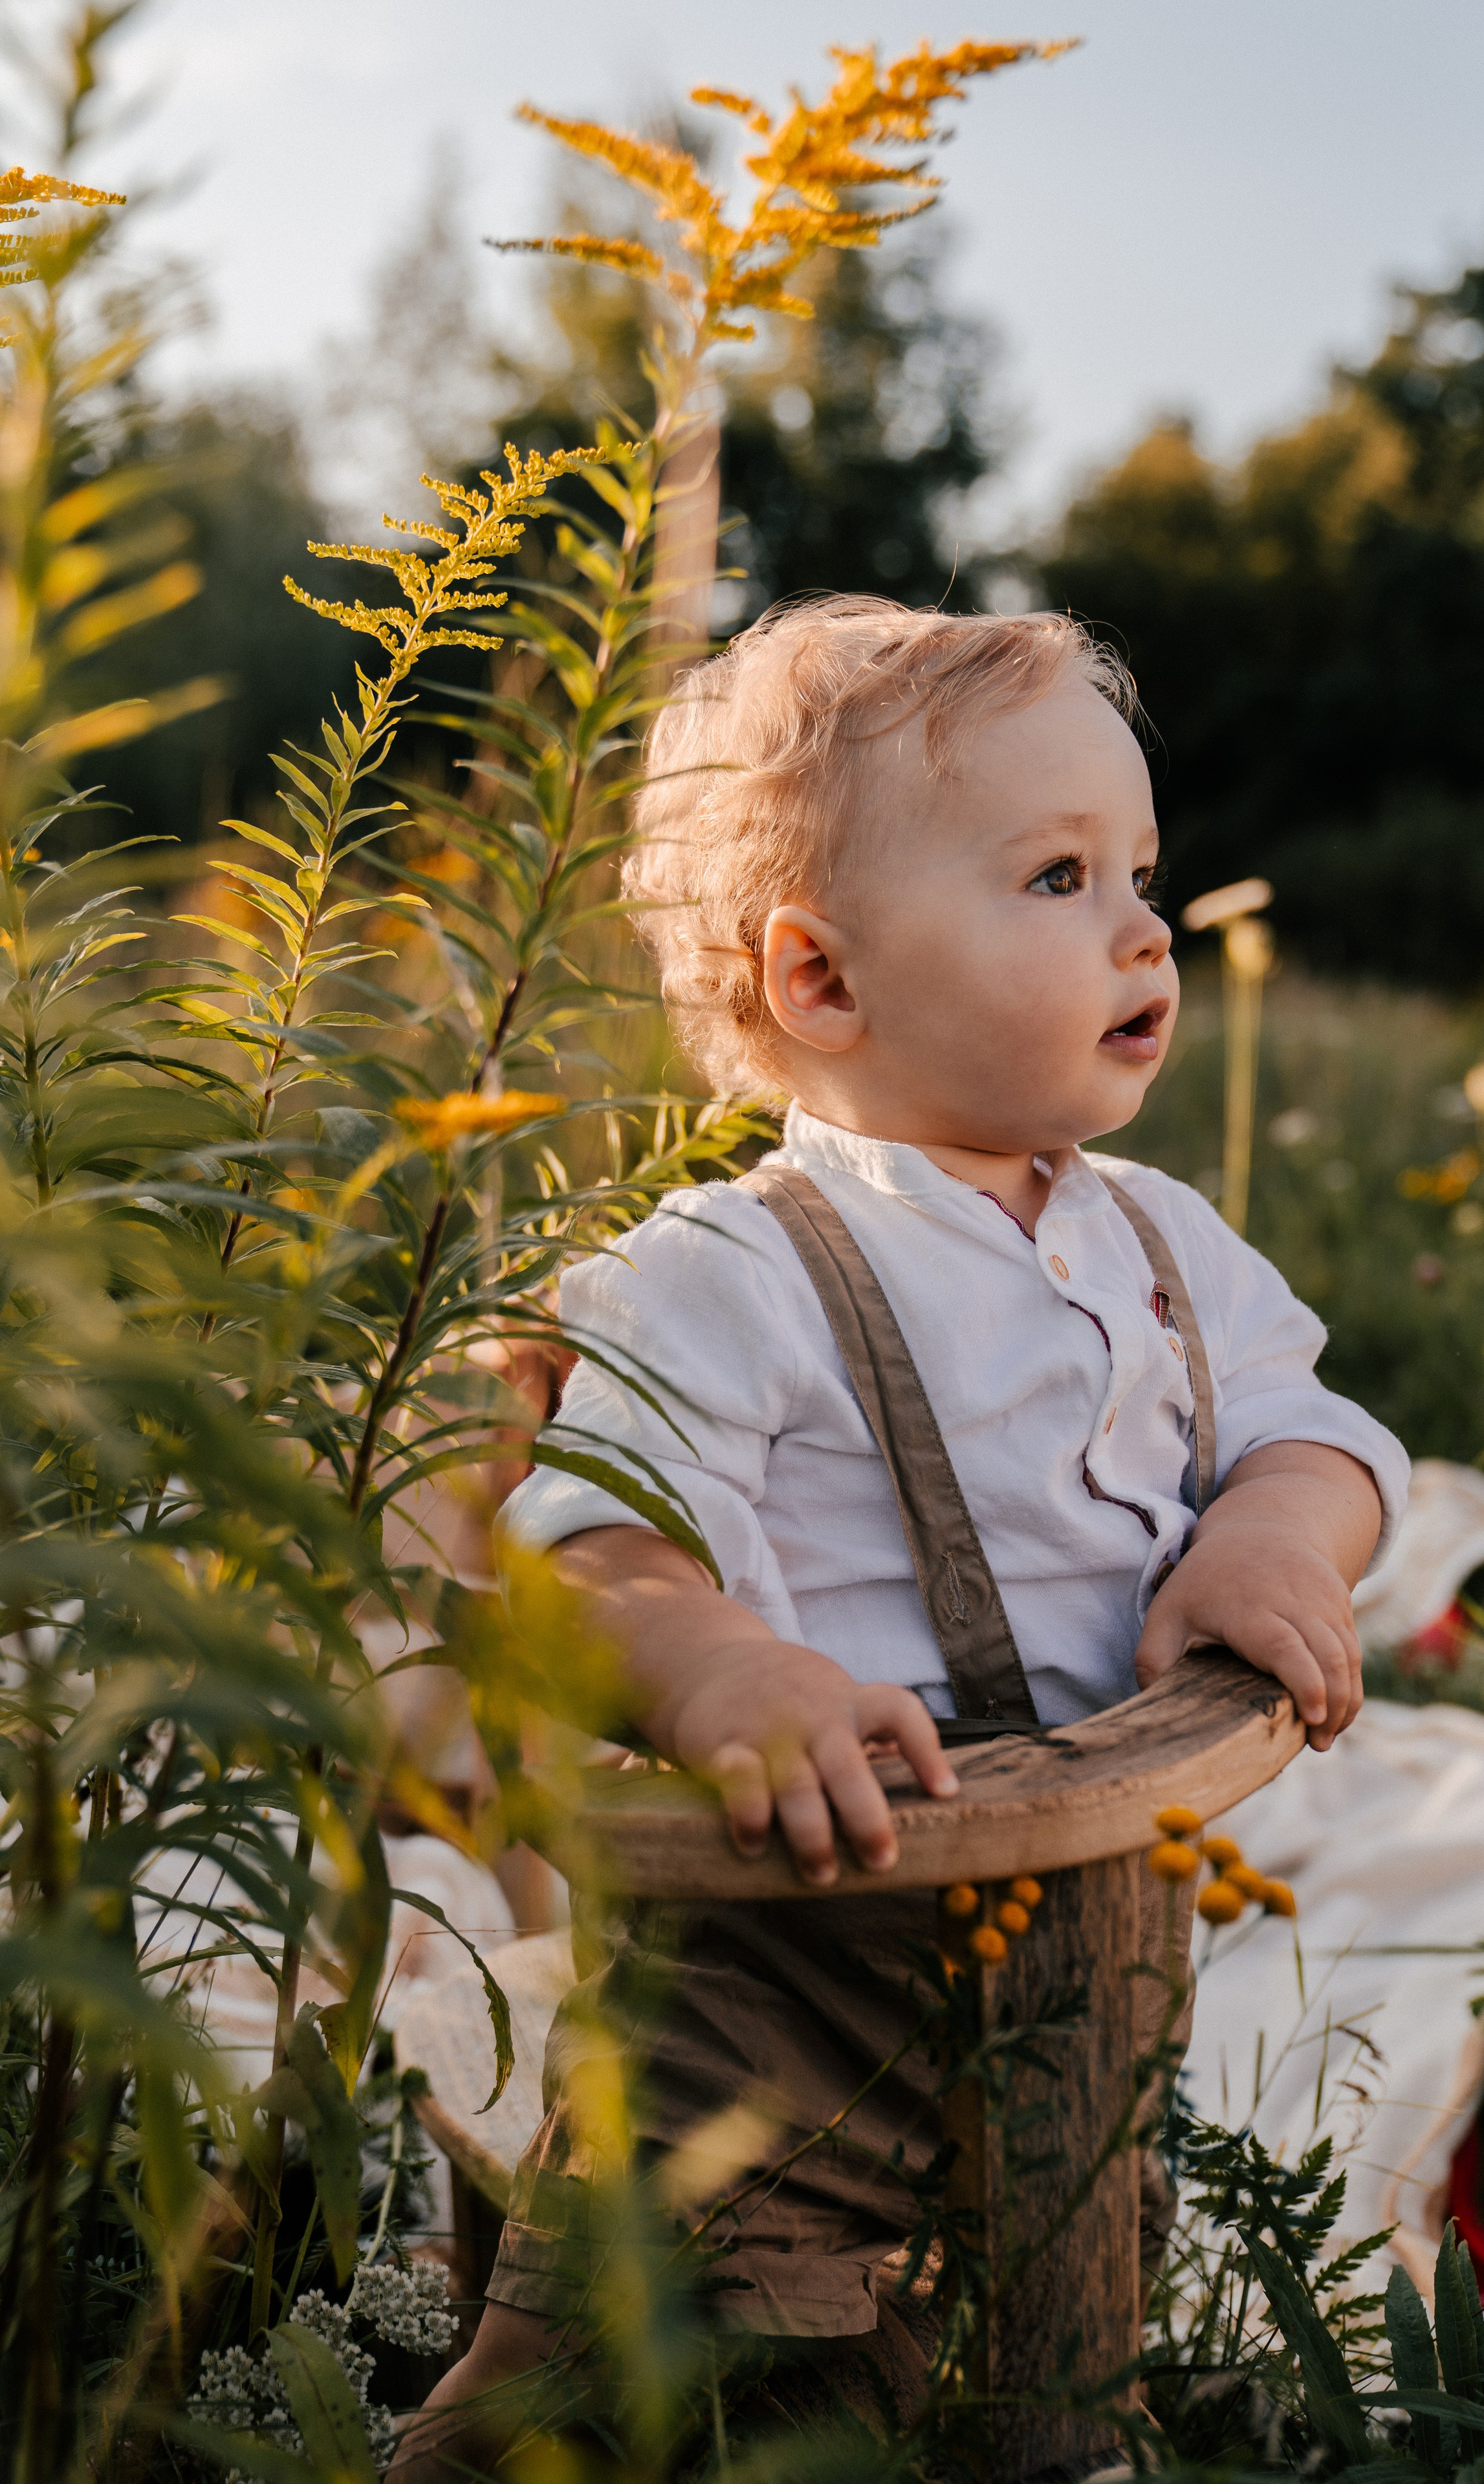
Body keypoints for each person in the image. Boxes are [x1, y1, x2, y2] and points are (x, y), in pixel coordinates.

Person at [391, 596, 1408, 2472]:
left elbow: (1318, 1430)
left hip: (1089, 1936)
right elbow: (592, 1547)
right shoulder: (729, 1272)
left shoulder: (1170, 1240)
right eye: (1053, 875)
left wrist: (1274, 1535)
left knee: (1038, 2350)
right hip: (786, 1971)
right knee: (652, 2374)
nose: (1139, 925)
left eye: (1140, 872)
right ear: (825, 984)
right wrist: (725, 1672)